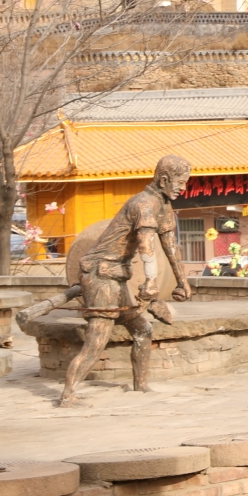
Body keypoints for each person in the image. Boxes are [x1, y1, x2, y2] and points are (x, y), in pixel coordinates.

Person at [57, 155, 193, 406]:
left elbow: (169, 245)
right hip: (100, 275)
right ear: (164, 179)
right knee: (98, 339)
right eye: (180, 183)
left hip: (116, 275)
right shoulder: (143, 205)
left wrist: (182, 281)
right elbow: (146, 246)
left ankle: (140, 386)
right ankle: (68, 394)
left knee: (143, 329)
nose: (183, 188)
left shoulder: (163, 205)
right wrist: (152, 280)